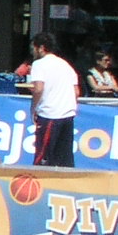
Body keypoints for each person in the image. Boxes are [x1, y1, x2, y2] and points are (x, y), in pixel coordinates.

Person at [27, 33, 79, 167]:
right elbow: (76, 91)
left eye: (34, 48)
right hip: (67, 115)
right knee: (64, 158)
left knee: (43, 157)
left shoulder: (39, 64)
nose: (32, 51)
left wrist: (33, 108)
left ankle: (41, 185)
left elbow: (38, 89)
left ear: (41, 48)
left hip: (50, 114)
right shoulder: (65, 65)